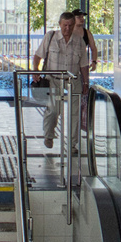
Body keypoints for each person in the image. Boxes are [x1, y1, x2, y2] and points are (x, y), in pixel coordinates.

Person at [33, 11, 91, 150]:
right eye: (65, 25)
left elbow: (83, 64)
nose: (67, 28)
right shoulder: (50, 37)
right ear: (60, 24)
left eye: (70, 25)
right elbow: (37, 55)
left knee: (74, 113)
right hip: (53, 79)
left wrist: (85, 82)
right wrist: (35, 70)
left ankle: (72, 144)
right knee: (53, 109)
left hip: (73, 79)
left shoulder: (79, 41)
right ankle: (49, 135)